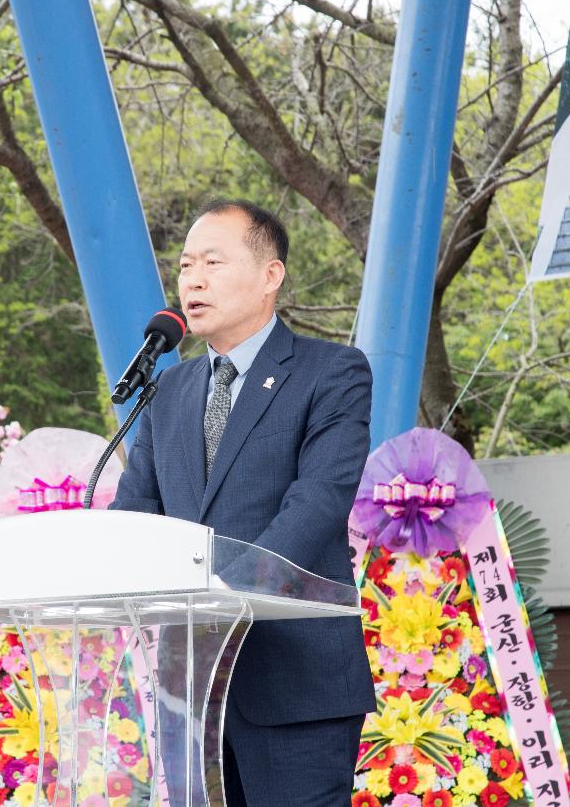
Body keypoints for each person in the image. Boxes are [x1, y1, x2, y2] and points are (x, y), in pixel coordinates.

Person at [110, 199, 375, 806]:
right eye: (184, 267)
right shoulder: (168, 390)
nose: (192, 281)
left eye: (212, 263)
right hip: (191, 692)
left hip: (293, 685)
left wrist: (224, 592)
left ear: (269, 276)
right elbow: (135, 516)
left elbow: (318, 502)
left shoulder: (331, 372)